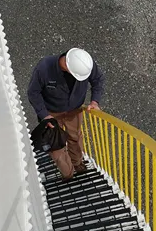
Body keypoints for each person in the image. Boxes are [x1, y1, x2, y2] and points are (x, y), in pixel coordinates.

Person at [27, 48, 105, 179]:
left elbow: (98, 79)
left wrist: (95, 101)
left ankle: (78, 164)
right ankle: (68, 174)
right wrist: (44, 115)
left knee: (75, 138)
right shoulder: (44, 67)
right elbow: (33, 92)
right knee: (56, 146)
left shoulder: (85, 63)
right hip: (51, 114)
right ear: (68, 67)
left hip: (74, 111)